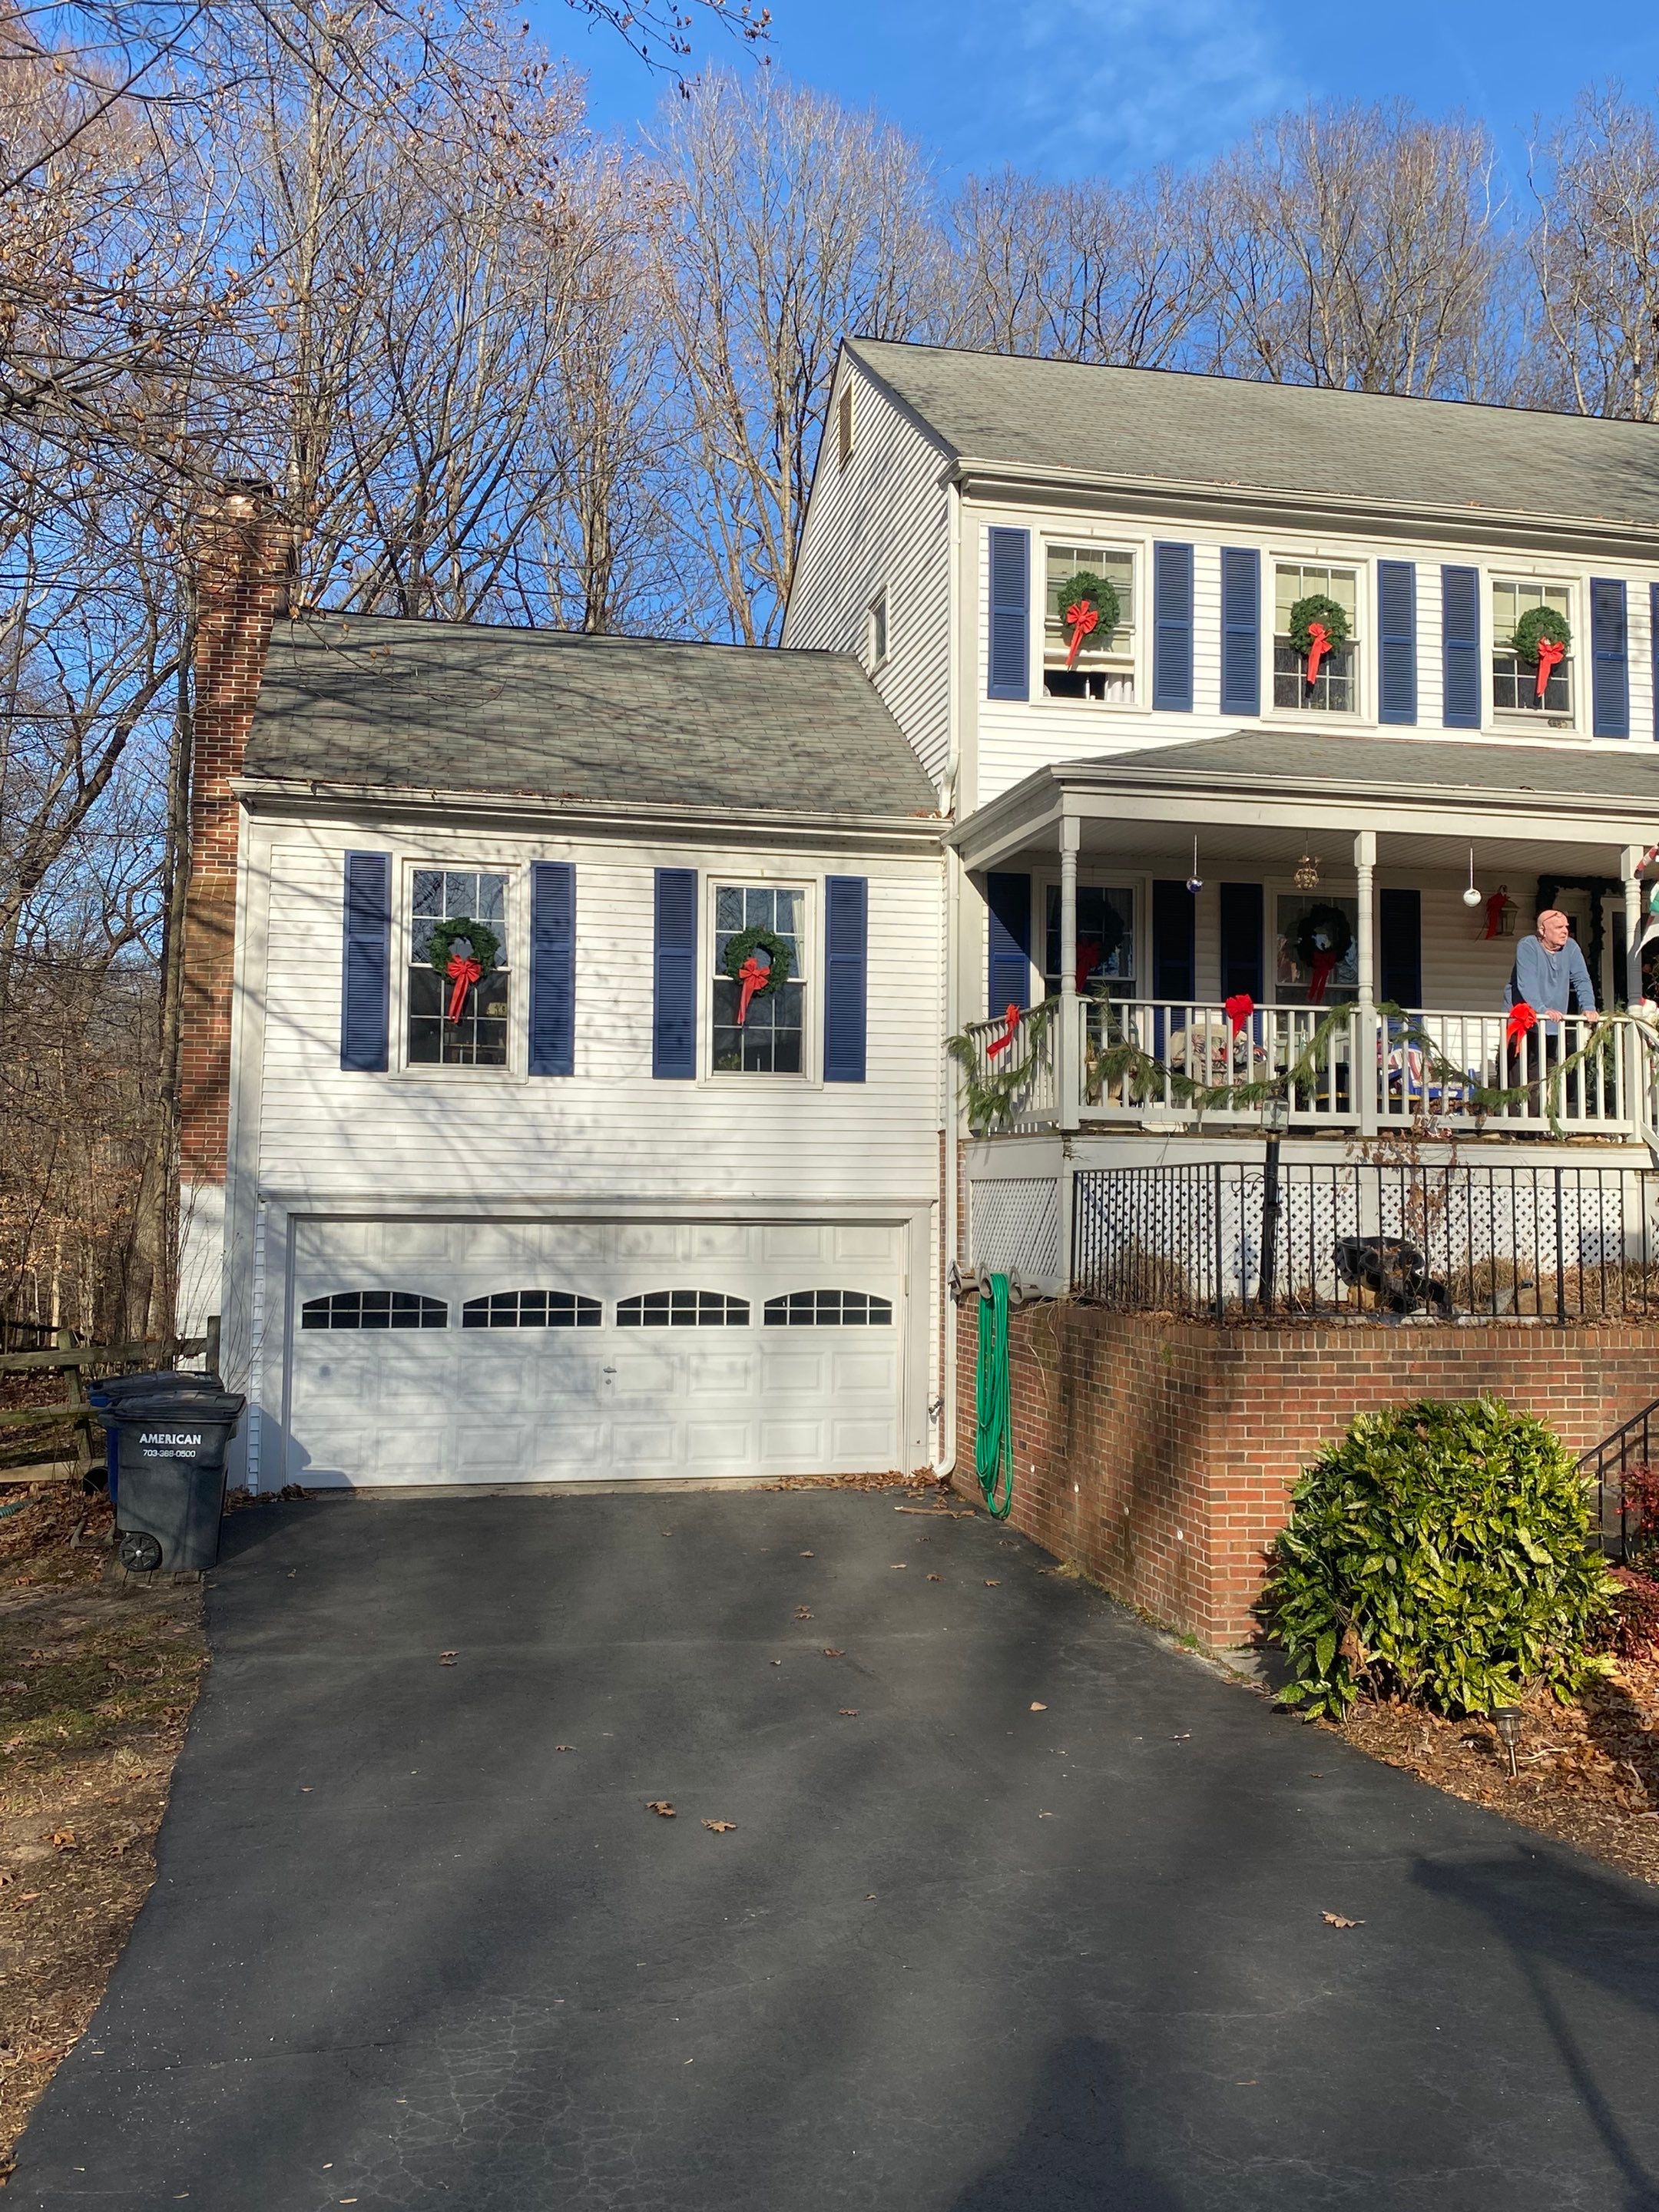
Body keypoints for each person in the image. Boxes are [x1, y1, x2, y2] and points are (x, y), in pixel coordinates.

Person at [1505, 909, 1598, 1114]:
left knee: (1543, 1074)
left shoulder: (1571, 948)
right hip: (1523, 1020)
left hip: (1551, 1025)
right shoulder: (1528, 945)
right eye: (1559, 927)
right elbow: (1526, 983)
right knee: (1517, 1072)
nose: (1565, 931)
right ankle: (1512, 1125)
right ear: (1542, 930)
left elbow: (1582, 979)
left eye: (1566, 927)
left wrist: (1589, 1007)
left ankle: (1536, 1126)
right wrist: (1541, 1010)